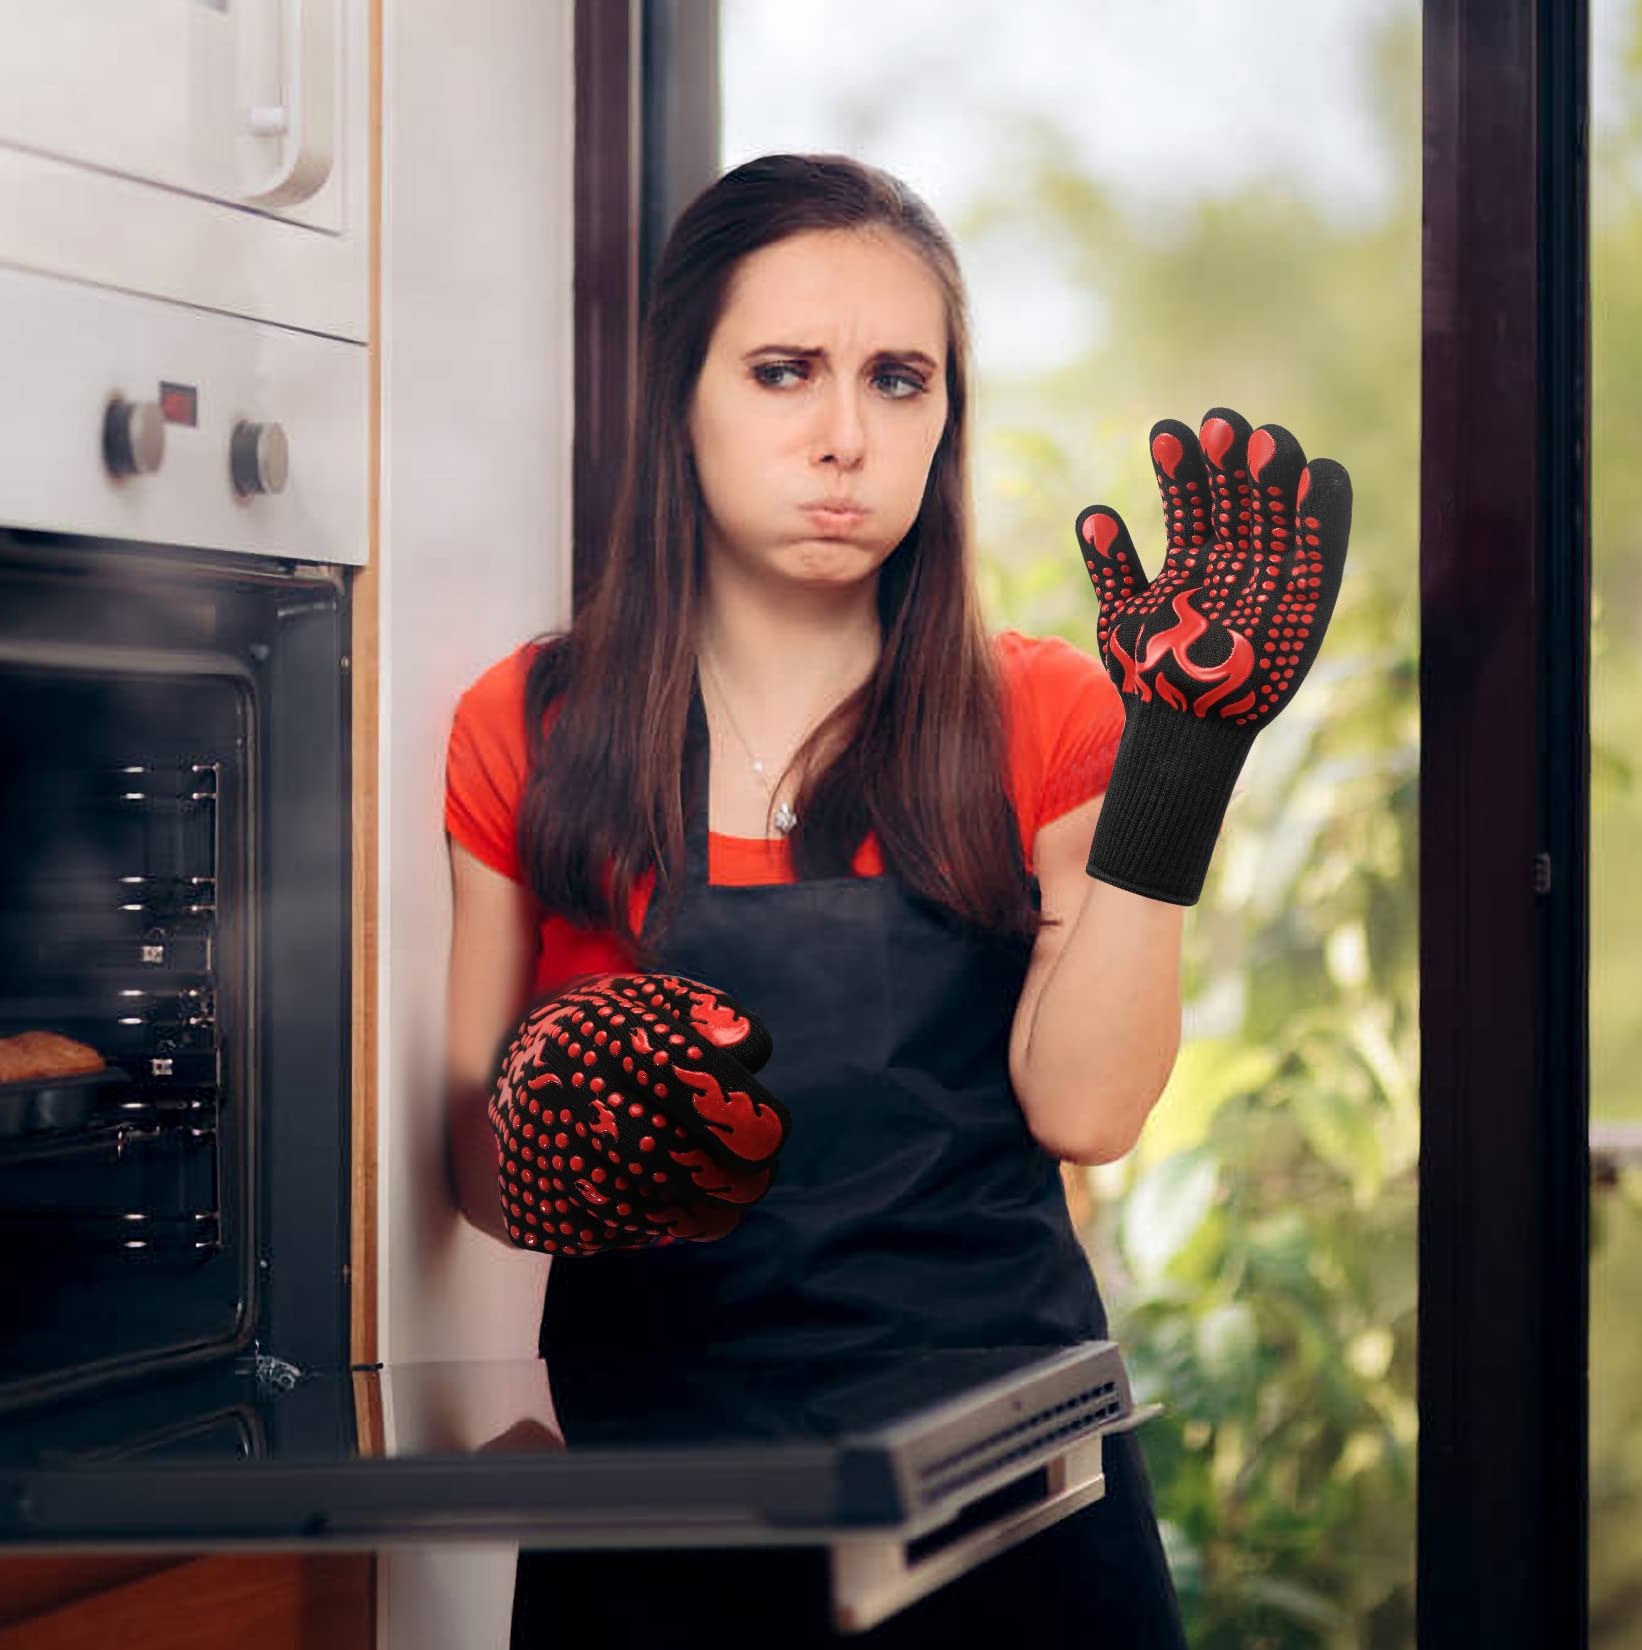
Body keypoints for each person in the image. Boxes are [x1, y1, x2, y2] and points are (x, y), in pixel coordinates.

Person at [443, 151, 1350, 1649]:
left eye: (898, 380)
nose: (846, 437)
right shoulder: (528, 727)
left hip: (1013, 1517)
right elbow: (469, 1170)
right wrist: (561, 1146)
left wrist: (1178, 766)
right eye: (783, 372)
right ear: (679, 395)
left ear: (945, 418)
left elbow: (1089, 1109)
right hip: (664, 1525)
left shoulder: (1044, 712)